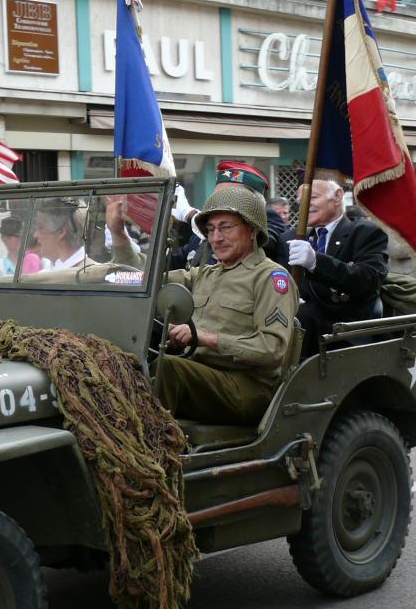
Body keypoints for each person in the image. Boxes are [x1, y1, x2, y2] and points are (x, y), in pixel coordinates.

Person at [150, 183, 299, 426]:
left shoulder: (271, 278)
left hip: (247, 387)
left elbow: (272, 349)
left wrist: (204, 337)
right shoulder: (206, 274)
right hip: (202, 374)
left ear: (251, 230)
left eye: (226, 228)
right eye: (210, 230)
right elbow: (152, 279)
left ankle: (147, 451)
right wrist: (118, 241)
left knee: (167, 369)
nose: (216, 238)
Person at [283, 179, 389, 358]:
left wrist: (316, 262)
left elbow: (369, 279)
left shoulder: (364, 232)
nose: (304, 206)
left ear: (338, 196)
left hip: (347, 333)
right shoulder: (293, 237)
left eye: (313, 197)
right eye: (300, 203)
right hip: (302, 329)